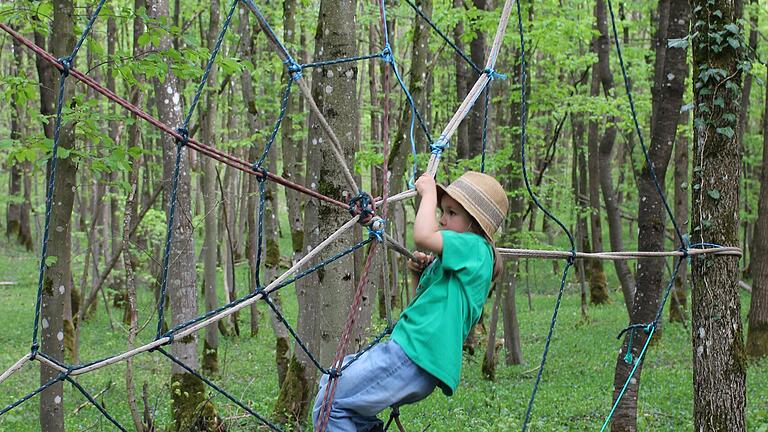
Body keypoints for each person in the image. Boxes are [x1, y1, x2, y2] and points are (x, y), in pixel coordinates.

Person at [312, 171, 509, 432]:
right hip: (412, 355)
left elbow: (423, 236)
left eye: (452, 213)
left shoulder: (476, 248)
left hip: (414, 356)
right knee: (331, 378)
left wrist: (428, 194)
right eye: (442, 210)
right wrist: (418, 274)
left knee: (331, 403)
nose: (442, 218)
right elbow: (422, 308)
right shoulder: (460, 260)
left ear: (477, 223)